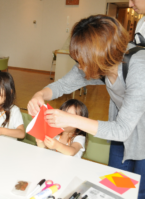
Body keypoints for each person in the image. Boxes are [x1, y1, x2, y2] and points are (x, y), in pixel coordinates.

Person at [27, 15, 145, 199]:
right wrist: (40, 94)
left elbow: (122, 129)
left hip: (134, 129)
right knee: (117, 185)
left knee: (139, 190)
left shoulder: (139, 67)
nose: (80, 67)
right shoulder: (100, 61)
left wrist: (72, 119)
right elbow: (63, 84)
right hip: (119, 128)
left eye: (82, 61)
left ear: (99, 56)